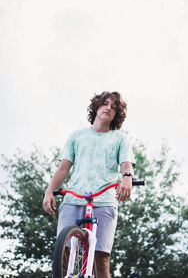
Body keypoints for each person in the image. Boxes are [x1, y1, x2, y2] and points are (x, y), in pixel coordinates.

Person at [43, 91, 135, 278]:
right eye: (105, 103)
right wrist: (49, 191)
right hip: (73, 198)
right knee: (64, 252)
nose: (109, 108)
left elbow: (126, 164)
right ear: (97, 106)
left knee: (100, 257)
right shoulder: (77, 136)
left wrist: (127, 178)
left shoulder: (120, 139)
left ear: (117, 114)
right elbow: (63, 168)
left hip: (104, 202)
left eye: (114, 107)